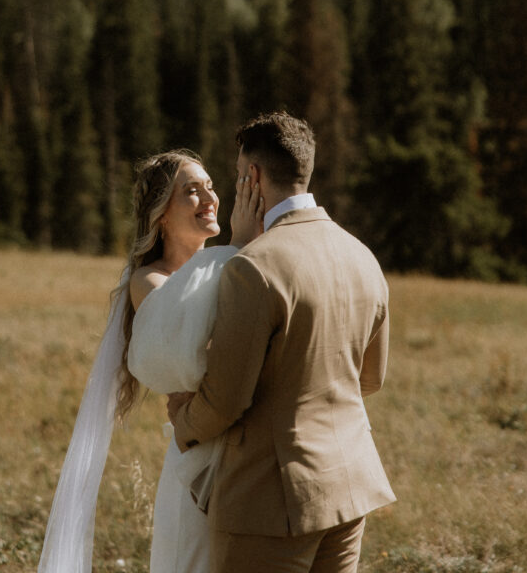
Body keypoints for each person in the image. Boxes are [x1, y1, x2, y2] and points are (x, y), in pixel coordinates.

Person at [169, 112, 396, 573]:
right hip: (349, 489)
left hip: (270, 501)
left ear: (252, 177)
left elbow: (226, 400)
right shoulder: (362, 255)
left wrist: (182, 421)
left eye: (236, 177)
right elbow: (370, 378)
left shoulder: (254, 267)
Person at [37, 148, 263, 573]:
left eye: (211, 187)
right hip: (195, 460)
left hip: (245, 457)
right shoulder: (150, 281)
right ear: (161, 214)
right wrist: (239, 247)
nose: (210, 199)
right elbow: (195, 358)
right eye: (191, 192)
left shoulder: (229, 265)